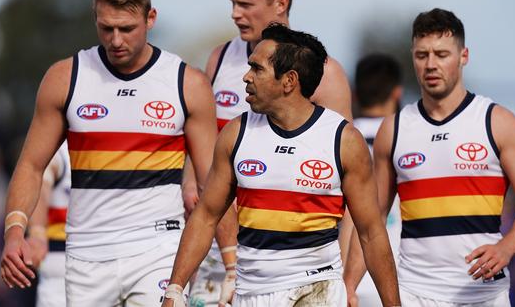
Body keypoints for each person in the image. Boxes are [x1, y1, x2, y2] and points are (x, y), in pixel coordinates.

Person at [0, 0, 217, 306]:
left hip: (158, 250)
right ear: (95, 19)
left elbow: (215, 186)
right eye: (106, 28)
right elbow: (30, 166)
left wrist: (229, 262)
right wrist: (15, 231)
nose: (116, 40)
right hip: (87, 255)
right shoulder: (65, 78)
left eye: (127, 29)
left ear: (151, 18)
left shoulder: (187, 84)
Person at [161, 23, 400, 307]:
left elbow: (371, 232)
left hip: (316, 290)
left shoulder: (343, 140)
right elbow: (206, 217)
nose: (246, 77)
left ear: (289, 81)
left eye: (257, 69)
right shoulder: (236, 133)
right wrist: (175, 289)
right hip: (249, 294)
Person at [345, 8, 515, 306]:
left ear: (463, 56)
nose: (431, 65)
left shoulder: (496, 122)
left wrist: (506, 248)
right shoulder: (395, 130)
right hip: (415, 292)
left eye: (442, 54)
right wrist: (349, 285)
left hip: (482, 294)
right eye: (422, 55)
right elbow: (371, 221)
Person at [188, 0, 354, 306]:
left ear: (281, 3)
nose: (235, 13)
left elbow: (351, 188)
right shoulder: (219, 58)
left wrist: (344, 279)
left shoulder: (325, 73)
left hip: (291, 266)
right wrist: (191, 181)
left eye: (245, 4)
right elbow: (199, 140)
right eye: (233, 2)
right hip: (214, 249)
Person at [345, 53, 403, 306]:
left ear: (355, 94)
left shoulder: (339, 138)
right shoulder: (408, 136)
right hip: (401, 280)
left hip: (345, 282)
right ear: (397, 93)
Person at [25, 141, 71, 307]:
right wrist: (37, 231)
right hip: (60, 268)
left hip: (103, 265)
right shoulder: (60, 153)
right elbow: (39, 188)